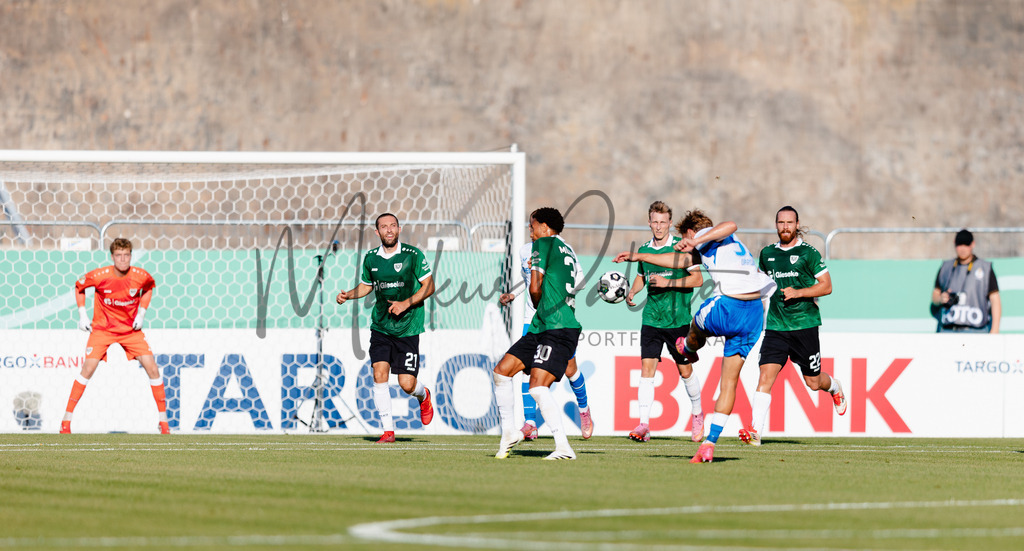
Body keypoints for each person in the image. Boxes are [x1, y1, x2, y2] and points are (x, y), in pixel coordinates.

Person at [615, 209, 776, 463]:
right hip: (755, 313)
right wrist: (637, 256)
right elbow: (674, 261)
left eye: (685, 237)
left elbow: (731, 223)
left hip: (730, 306)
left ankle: (689, 349)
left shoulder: (703, 235)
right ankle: (710, 443)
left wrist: (696, 239)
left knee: (697, 322)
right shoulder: (719, 245)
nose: (684, 243)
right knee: (729, 383)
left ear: (691, 231)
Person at [738, 206, 847, 447]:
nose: (785, 227)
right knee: (765, 375)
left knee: (813, 382)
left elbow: (827, 286)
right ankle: (755, 431)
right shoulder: (767, 254)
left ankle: (835, 386)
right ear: (776, 225)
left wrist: (798, 292)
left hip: (804, 325)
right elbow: (763, 285)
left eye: (790, 223)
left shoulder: (808, 253)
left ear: (797, 225)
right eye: (781, 222)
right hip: (776, 327)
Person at [493, 207, 583, 460]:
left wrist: (541, 300)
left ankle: (564, 448)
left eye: (532, 227)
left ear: (544, 227)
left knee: (537, 387)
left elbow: (534, 288)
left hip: (557, 327)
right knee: (502, 372)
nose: (530, 232)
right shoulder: (566, 249)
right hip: (541, 327)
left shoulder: (542, 244)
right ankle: (509, 432)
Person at [336, 213, 435, 443]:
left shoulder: (412, 255)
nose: (389, 230)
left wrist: (405, 303)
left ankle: (424, 395)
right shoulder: (371, 258)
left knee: (406, 384)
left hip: (408, 328)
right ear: (377, 232)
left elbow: (429, 286)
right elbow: (367, 286)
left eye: (393, 226)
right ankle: (388, 432)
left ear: (399, 229)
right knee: (379, 374)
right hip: (381, 327)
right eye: (384, 227)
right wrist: (348, 295)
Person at [61, 238, 169, 434]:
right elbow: (79, 287)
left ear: (130, 256)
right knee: (88, 368)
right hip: (103, 329)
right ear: (112, 257)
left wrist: (142, 313)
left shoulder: (141, 276)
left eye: (126, 255)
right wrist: (82, 314)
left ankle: (163, 423)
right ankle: (66, 421)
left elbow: (148, 288)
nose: (123, 259)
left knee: (152, 368)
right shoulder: (100, 275)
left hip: (130, 331)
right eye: (118, 255)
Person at [623, 201, 705, 443]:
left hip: (678, 319)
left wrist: (668, 283)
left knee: (685, 370)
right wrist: (633, 292)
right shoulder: (645, 251)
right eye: (654, 221)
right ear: (649, 222)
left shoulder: (682, 248)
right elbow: (641, 277)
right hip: (651, 318)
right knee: (647, 369)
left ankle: (698, 414)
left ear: (670, 223)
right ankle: (644, 425)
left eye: (663, 222)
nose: (658, 226)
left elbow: (698, 280)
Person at [932, 229, 1001, 333]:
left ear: (973, 244)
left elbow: (995, 300)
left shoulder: (985, 268)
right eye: (960, 245)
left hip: (976, 330)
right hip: (948, 330)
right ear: (954, 244)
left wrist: (995, 330)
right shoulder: (946, 267)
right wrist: (940, 298)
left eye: (966, 244)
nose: (963, 249)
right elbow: (935, 295)